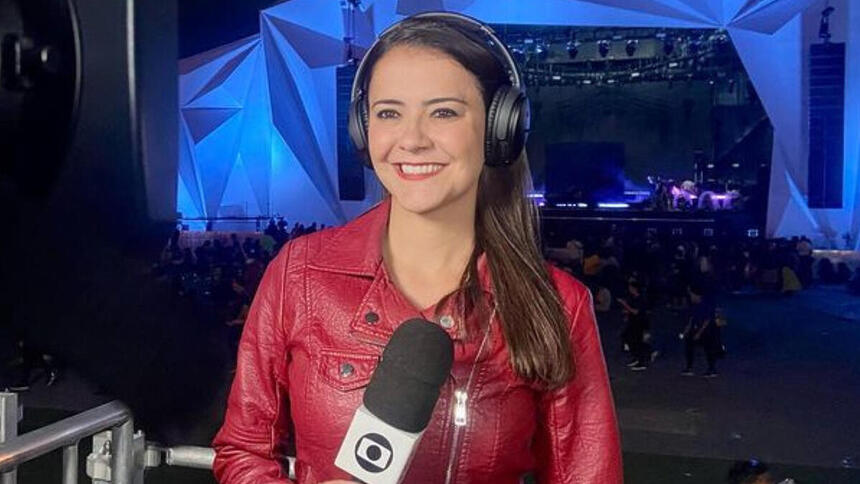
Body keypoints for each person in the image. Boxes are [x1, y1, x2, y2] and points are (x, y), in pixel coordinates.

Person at [212, 12, 621, 484]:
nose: (411, 139)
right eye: (389, 113)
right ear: (363, 130)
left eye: (443, 112)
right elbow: (243, 449)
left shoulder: (559, 305)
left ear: (498, 129)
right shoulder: (299, 274)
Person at [681, 281, 721, 378]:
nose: (691, 297)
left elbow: (707, 320)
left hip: (707, 330)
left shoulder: (705, 305)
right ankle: (689, 367)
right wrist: (687, 330)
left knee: (709, 349)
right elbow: (692, 318)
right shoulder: (694, 305)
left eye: (692, 295)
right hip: (697, 328)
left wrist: (699, 333)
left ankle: (712, 369)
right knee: (689, 344)